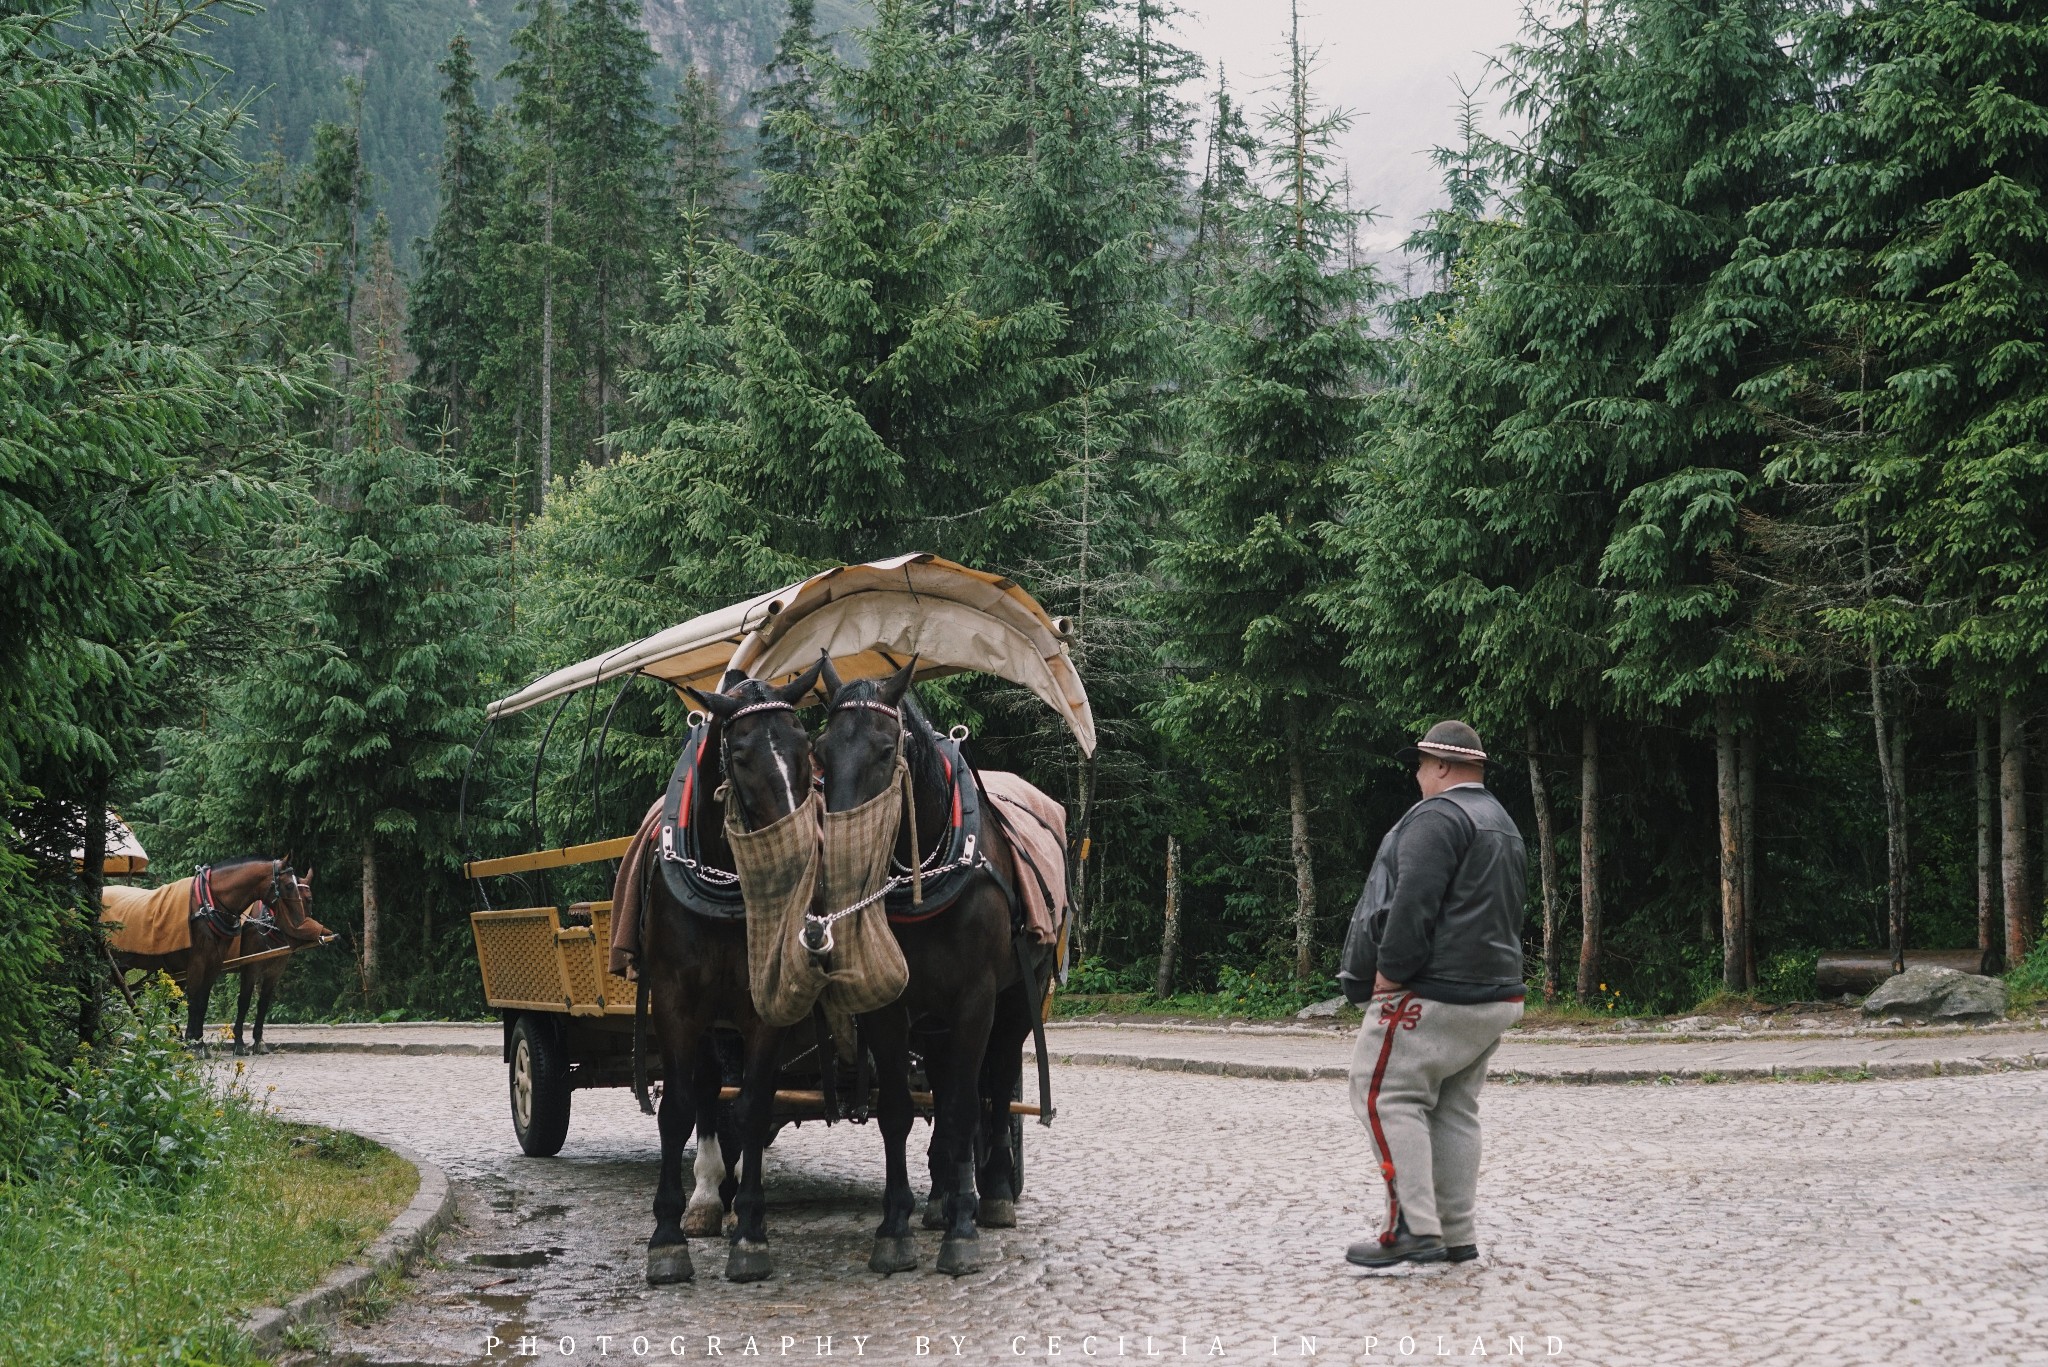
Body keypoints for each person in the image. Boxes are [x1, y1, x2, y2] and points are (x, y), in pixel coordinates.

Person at [1338, 720, 1526, 1268]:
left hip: (1434, 991)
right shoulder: (1502, 821)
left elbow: (1410, 904)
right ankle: (1455, 1236)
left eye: (1420, 765)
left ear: (1441, 765)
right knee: (1454, 1110)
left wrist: (1391, 972)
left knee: (1383, 1095)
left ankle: (1412, 1229)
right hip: (1496, 994)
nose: (1418, 776)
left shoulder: (1437, 817)